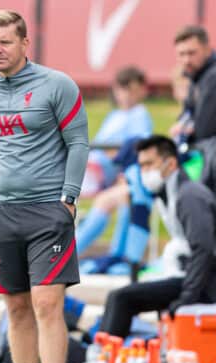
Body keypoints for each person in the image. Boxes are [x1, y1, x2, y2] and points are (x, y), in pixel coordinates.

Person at [0, 10, 89, 363]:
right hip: (0, 214)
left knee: (47, 303)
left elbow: (78, 143)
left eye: (5, 42)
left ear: (24, 44)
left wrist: (69, 198)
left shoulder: (57, 85)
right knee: (16, 308)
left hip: (47, 212)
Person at [99, 136, 216, 338]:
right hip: (189, 274)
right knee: (122, 296)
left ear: (171, 163)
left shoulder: (189, 196)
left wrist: (187, 298)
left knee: (121, 298)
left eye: (149, 164)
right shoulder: (168, 193)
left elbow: (203, 249)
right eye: (141, 165)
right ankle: (107, 354)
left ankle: (106, 358)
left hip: (206, 283)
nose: (144, 172)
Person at [75, 66, 153, 270]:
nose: (126, 96)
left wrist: (121, 169)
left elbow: (135, 150)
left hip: (122, 177)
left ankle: (71, 255)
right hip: (98, 174)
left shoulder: (140, 115)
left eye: (132, 90)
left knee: (109, 201)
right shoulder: (115, 116)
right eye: (122, 90)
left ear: (141, 91)